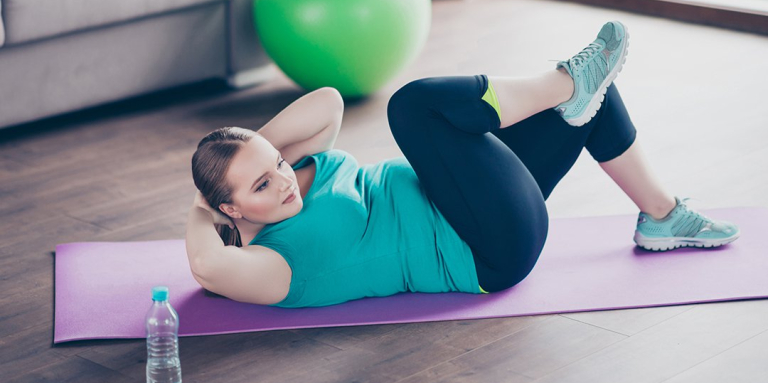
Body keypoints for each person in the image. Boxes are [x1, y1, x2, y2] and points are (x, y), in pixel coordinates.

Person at [185, 21, 740, 308]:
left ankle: (661, 214)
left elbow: (327, 101)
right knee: (411, 107)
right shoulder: (274, 264)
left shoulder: (295, 179)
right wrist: (202, 202)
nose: (283, 178)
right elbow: (208, 268)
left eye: (277, 163)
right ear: (230, 206)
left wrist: (245, 151)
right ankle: (569, 79)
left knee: (590, 104)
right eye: (262, 183)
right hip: (486, 249)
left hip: (469, 195)